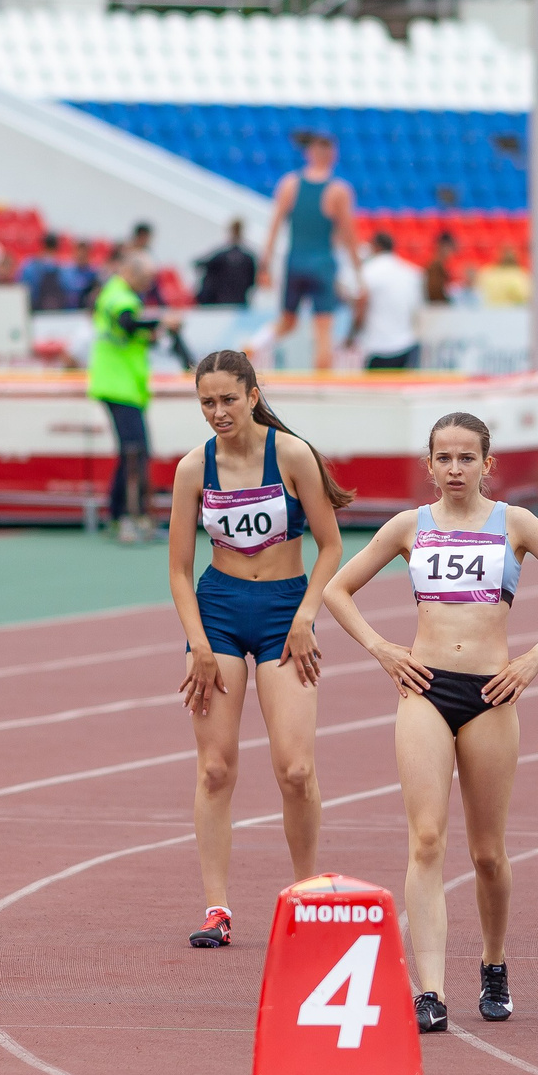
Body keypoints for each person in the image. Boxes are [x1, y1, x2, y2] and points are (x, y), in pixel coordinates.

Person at [320, 413, 538, 1032]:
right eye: (443, 459)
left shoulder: (516, 524)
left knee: (487, 854)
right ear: (428, 466)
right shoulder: (408, 527)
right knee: (425, 840)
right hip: (423, 689)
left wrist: (534, 658)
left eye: (466, 459)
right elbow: (337, 590)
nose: (455, 470)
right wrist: (383, 649)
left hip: (492, 694)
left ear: (487, 464)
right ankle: (430, 991)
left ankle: (495, 963)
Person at [167, 350, 354, 948]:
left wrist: (306, 615)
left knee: (295, 770)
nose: (217, 412)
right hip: (218, 611)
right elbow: (177, 568)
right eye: (206, 402)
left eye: (226, 399)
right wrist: (196, 641)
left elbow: (330, 546)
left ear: (252, 395)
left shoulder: (291, 456)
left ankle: (305, 897)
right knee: (216, 767)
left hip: (282, 612)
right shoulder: (193, 470)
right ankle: (217, 909)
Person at [94, 249, 182, 543]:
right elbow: (128, 321)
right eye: (144, 280)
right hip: (119, 386)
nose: (148, 286)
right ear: (130, 273)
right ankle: (125, 517)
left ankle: (126, 515)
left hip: (126, 386)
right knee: (134, 451)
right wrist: (160, 323)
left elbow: (131, 333)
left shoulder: (120, 293)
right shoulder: (118, 295)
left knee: (134, 451)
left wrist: (152, 333)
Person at [258, 130, 357, 371]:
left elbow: (273, 228)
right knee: (323, 330)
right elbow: (348, 235)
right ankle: (322, 387)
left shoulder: (290, 184)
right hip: (322, 265)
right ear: (332, 155)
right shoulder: (338, 190)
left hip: (295, 263)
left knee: (287, 321)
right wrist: (358, 271)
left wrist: (265, 266)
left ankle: (253, 344)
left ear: (309, 154)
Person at [353, 232, 425, 370]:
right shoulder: (410, 272)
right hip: (406, 345)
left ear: (376, 247)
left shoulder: (369, 271)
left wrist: (352, 334)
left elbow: (361, 303)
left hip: (377, 347)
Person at [194, 219, 258, 307]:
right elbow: (253, 282)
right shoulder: (249, 258)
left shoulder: (220, 256)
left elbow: (198, 264)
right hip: (240, 303)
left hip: (219, 304)